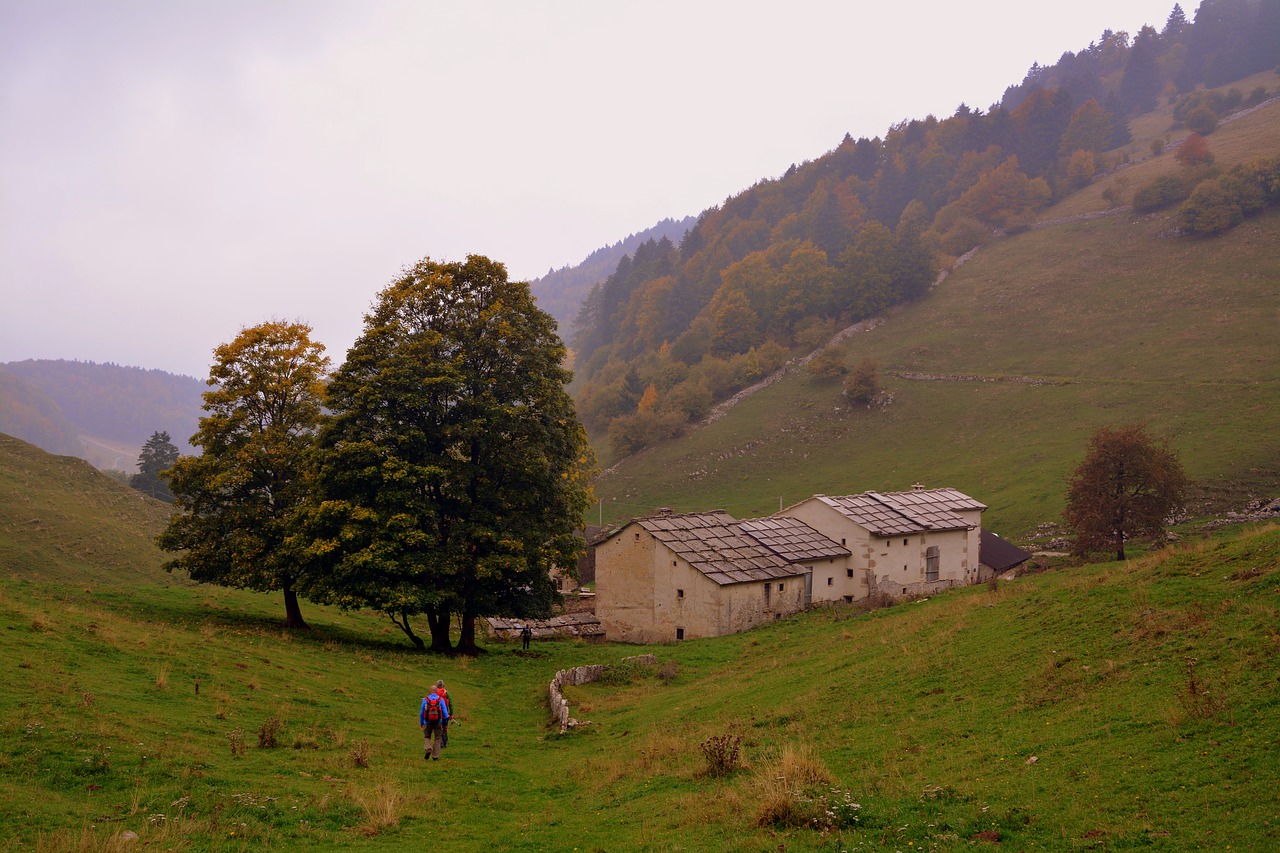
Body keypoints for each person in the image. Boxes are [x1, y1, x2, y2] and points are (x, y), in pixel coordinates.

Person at [419, 686, 450, 761]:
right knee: (437, 738)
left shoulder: (426, 699)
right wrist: (445, 723)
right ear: (436, 691)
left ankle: (428, 748)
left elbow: (422, 712)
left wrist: (422, 722)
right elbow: (445, 714)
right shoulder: (440, 699)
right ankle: (435, 756)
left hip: (427, 721)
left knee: (427, 736)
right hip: (438, 722)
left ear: (430, 691)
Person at [434, 679, 452, 748]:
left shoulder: (434, 693)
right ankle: (444, 743)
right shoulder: (446, 693)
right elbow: (451, 704)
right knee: (445, 728)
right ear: (443, 685)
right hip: (445, 714)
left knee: (438, 728)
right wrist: (451, 713)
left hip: (436, 713)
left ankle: (439, 742)